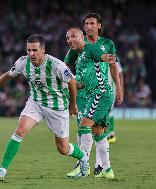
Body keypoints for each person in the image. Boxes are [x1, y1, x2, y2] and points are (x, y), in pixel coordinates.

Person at [0, 34, 87, 182]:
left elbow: (72, 81)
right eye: (29, 50)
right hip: (35, 103)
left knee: (63, 148)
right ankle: (2, 170)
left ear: (43, 50)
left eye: (35, 50)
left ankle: (83, 157)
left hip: (57, 107)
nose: (31, 53)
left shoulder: (56, 65)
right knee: (20, 130)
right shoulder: (23, 62)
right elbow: (7, 75)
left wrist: (72, 104)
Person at [65, 13, 124, 178]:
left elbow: (111, 64)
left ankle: (82, 166)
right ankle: (107, 169)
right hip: (83, 95)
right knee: (97, 131)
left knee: (85, 126)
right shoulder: (76, 49)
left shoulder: (104, 44)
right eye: (86, 24)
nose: (89, 26)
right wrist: (72, 85)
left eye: (92, 23)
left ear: (99, 26)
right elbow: (64, 69)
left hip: (99, 92)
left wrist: (118, 88)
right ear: (83, 29)